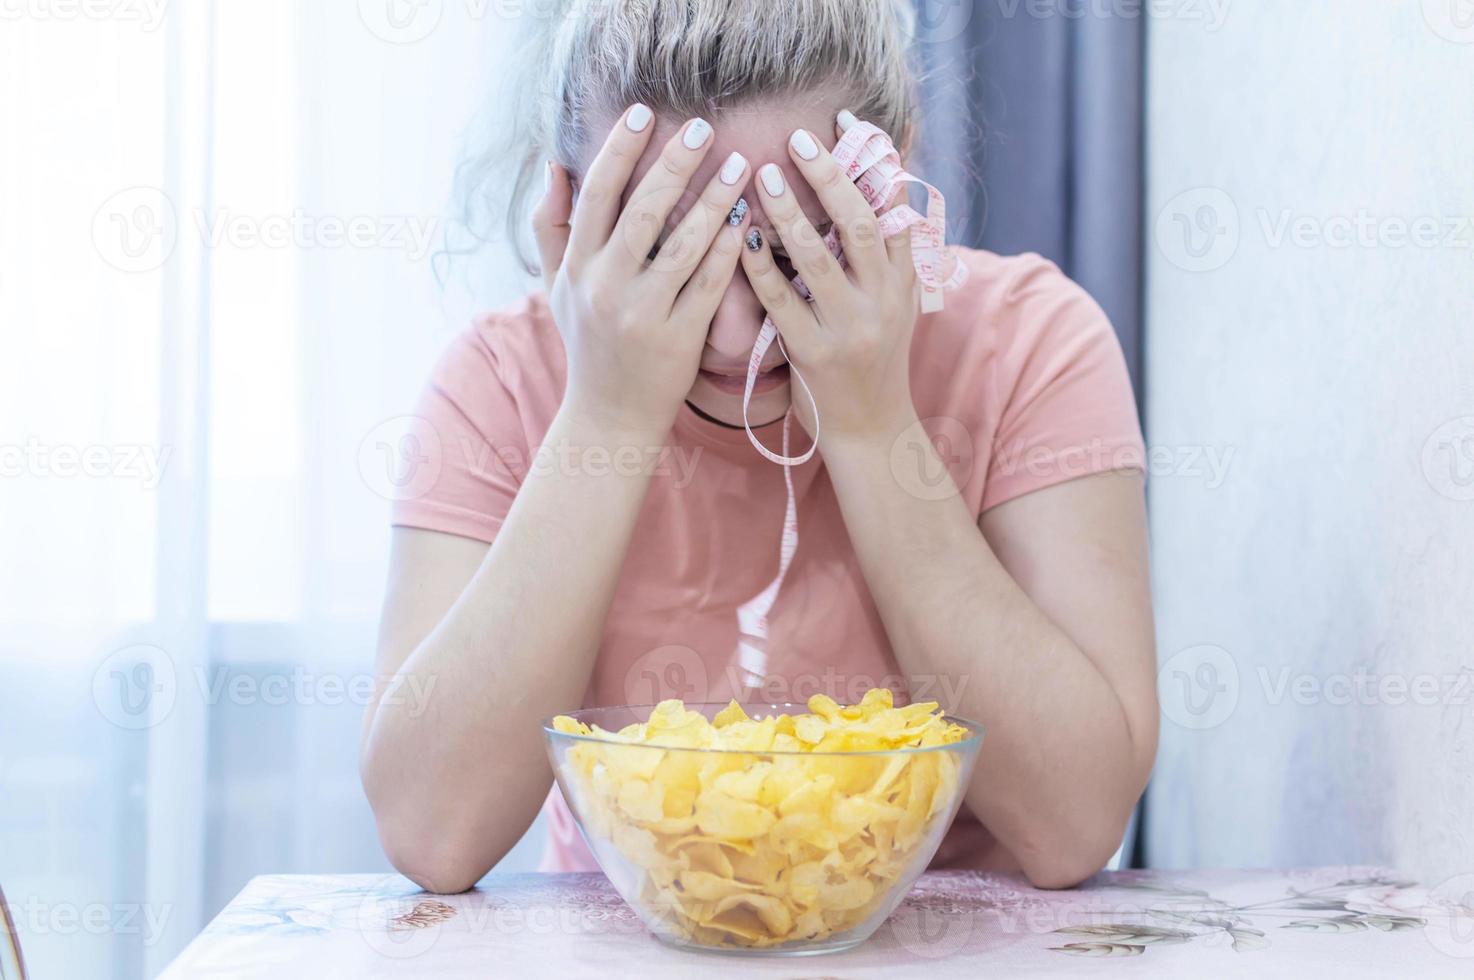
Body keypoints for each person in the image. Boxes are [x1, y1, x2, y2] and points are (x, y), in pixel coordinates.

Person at [360, 0, 1157, 894]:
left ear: (897, 178)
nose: (738, 338)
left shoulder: (1030, 344)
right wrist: (609, 418)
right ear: (570, 213)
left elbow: (1076, 823)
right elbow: (433, 832)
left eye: (794, 257)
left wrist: (871, 426)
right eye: (672, 258)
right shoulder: (500, 384)